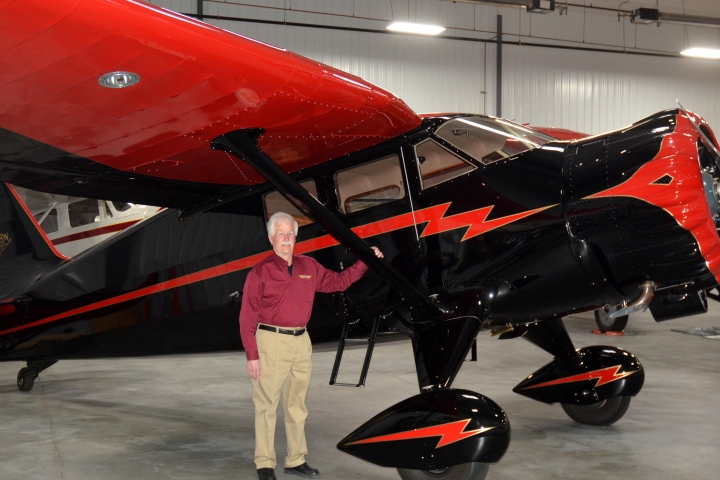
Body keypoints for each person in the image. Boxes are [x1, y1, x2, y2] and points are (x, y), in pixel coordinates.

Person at [240, 211, 383, 480]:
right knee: (267, 406)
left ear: (296, 236)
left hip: (301, 342)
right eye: (280, 233)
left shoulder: (309, 267)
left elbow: (338, 282)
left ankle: (295, 460)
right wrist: (252, 355)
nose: (285, 238)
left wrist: (364, 261)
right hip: (270, 341)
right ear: (271, 238)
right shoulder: (259, 273)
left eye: (290, 233)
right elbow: (247, 316)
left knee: (296, 405)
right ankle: (264, 464)